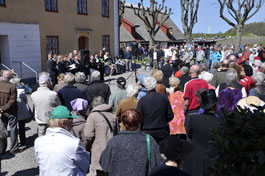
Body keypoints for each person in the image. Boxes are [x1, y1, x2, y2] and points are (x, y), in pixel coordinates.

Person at [100, 109, 164, 176]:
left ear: (123, 123)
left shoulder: (114, 141)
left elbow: (104, 164)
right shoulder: (149, 140)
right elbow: (158, 163)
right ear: (139, 122)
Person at [34, 105, 90, 176]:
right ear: (64, 123)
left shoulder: (38, 141)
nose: (72, 123)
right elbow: (85, 165)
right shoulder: (74, 143)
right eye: (71, 120)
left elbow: (40, 162)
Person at [184, 89, 221, 176]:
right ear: (215, 106)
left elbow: (189, 135)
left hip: (195, 158)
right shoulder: (220, 123)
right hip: (212, 158)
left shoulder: (193, 119)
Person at [84, 96, 118, 176]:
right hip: (112, 150)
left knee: (100, 172)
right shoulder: (113, 116)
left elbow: (88, 135)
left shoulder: (92, 116)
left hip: (98, 149)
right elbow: (117, 133)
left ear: (93, 105)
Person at [137, 77, 173, 145]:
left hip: (147, 132)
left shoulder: (142, 101)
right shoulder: (164, 98)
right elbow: (170, 115)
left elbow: (138, 117)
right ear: (155, 85)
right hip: (162, 130)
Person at [0, 70, 19, 154]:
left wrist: (1, 109)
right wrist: (3, 108)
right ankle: (13, 148)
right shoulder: (12, 87)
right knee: (13, 129)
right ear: (10, 78)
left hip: (1, 112)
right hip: (11, 111)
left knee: (2, 131)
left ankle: (2, 149)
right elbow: (12, 101)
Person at [10, 78, 32, 148]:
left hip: (13, 112)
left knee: (13, 128)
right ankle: (23, 141)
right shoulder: (21, 91)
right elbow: (26, 101)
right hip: (21, 112)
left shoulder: (9, 91)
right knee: (22, 127)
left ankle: (14, 142)